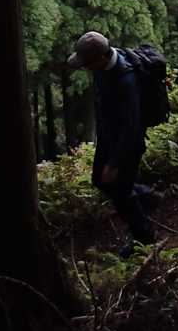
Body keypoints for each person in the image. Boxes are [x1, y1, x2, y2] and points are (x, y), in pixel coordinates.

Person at [67, 30, 159, 256]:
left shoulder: (126, 80)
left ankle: (144, 237)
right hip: (108, 138)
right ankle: (149, 196)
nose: (85, 68)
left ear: (101, 58)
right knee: (99, 180)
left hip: (127, 145)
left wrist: (114, 163)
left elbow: (131, 128)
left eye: (87, 63)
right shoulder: (103, 67)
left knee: (121, 192)